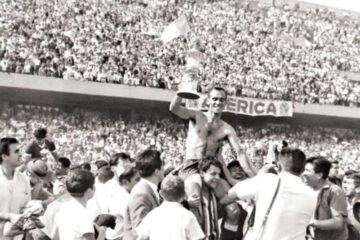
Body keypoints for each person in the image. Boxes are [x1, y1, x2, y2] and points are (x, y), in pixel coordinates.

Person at [221, 148, 317, 240]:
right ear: (303, 169)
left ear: (279, 166)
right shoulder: (312, 194)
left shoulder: (268, 180)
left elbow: (228, 197)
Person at [169, 87, 257, 180]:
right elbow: (174, 108)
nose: (218, 103)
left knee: (227, 192)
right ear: (208, 101)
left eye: (221, 100)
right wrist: (183, 88)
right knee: (194, 183)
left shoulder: (227, 129)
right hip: (192, 165)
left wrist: (253, 178)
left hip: (211, 169)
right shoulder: (197, 115)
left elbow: (240, 153)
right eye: (215, 99)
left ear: (225, 103)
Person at [136, 175, 205, 240]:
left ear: (160, 194)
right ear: (184, 195)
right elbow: (197, 237)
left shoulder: (153, 215)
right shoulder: (188, 216)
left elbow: (140, 236)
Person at [303, 157, 348, 240]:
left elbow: (338, 222)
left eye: (308, 171)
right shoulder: (305, 189)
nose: (304, 174)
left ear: (319, 175)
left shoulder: (335, 191)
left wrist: (311, 222)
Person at [123, 150, 164, 240]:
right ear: (157, 171)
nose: (164, 170)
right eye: (162, 167)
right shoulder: (142, 194)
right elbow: (139, 233)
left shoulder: (148, 189)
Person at [0, 137, 31, 240]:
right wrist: (8, 217)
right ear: (5, 156)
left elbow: (27, 210)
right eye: (16, 151)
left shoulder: (24, 180)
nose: (21, 154)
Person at [54, 169, 96, 240]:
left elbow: (55, 237)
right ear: (89, 191)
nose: (95, 187)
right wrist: (102, 235)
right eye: (94, 185)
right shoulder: (84, 215)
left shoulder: (64, 207)